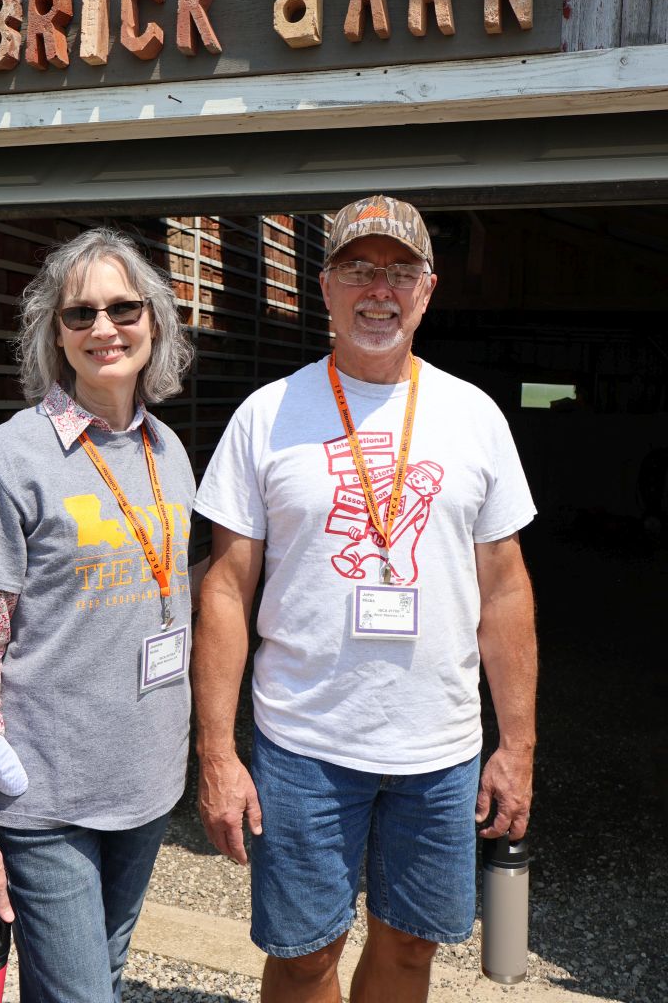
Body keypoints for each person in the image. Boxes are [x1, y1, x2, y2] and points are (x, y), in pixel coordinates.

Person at [192, 195, 537, 1003]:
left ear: (428, 290)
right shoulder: (266, 416)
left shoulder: (476, 417)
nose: (379, 291)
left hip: (439, 748)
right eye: (358, 269)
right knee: (304, 954)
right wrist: (216, 754)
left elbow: (505, 588)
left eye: (400, 272)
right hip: (303, 741)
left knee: (413, 945)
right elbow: (226, 591)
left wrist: (517, 746)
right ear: (323, 286)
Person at [0, 227, 197, 1003]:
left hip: (146, 781)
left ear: (155, 321)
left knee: (96, 978)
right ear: (56, 333)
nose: (104, 328)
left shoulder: (170, 452)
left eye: (123, 308)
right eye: (81, 313)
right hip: (45, 793)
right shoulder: (8, 460)